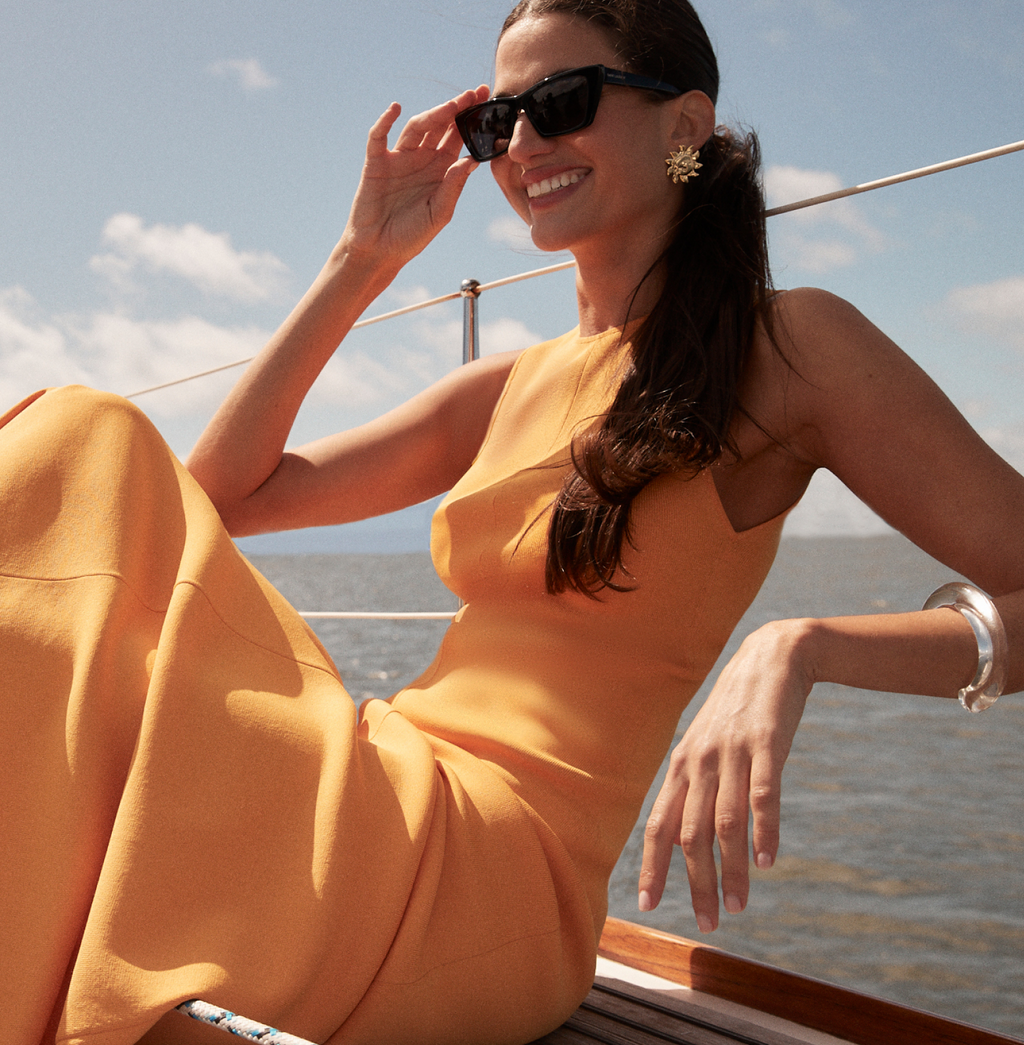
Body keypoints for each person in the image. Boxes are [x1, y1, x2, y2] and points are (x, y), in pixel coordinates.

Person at [2, 0, 1021, 1042]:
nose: (523, 144)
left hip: (488, 873)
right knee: (73, 469)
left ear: (683, 125)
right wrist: (364, 256)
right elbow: (216, 497)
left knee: (81, 442)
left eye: (561, 103)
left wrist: (798, 647)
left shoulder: (790, 346)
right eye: (498, 121)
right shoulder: (505, 387)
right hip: (384, 780)